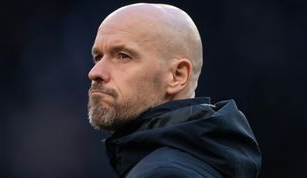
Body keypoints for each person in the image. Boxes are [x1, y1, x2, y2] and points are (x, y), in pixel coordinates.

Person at [87, 3, 261, 178]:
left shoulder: (165, 173)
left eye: (123, 56)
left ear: (177, 76)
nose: (94, 73)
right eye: (98, 57)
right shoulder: (201, 162)